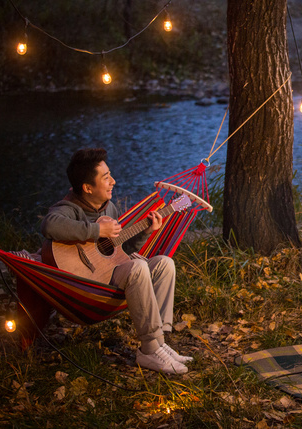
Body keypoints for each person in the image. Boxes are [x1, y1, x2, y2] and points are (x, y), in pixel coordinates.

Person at [40, 148, 192, 375]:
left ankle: (160, 343)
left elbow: (118, 251)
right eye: (106, 177)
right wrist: (95, 230)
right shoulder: (68, 209)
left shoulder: (109, 208)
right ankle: (149, 349)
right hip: (87, 286)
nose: (113, 181)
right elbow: (49, 225)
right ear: (87, 188)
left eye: (110, 174)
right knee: (139, 266)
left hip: (110, 274)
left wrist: (146, 232)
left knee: (163, 263)